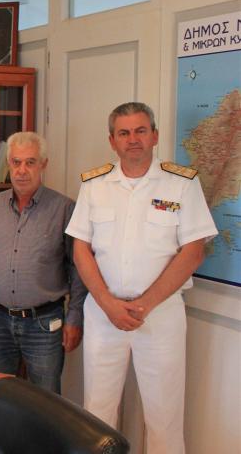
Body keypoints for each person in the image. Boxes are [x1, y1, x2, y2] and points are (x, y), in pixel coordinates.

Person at [65, 102, 216, 454]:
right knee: (96, 413)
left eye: (140, 131)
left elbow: (193, 252)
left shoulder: (182, 184)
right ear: (112, 140)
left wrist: (143, 305)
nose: (133, 139)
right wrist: (108, 304)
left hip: (159, 316)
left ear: (154, 136)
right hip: (104, 315)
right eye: (124, 133)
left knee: (164, 416)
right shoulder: (94, 184)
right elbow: (80, 250)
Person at [0, 132, 86, 393]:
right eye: (16, 162)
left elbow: (78, 269)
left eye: (30, 162)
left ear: (43, 164)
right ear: (8, 163)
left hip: (44, 324)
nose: (22, 170)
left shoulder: (64, 209)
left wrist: (75, 317)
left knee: (46, 399)